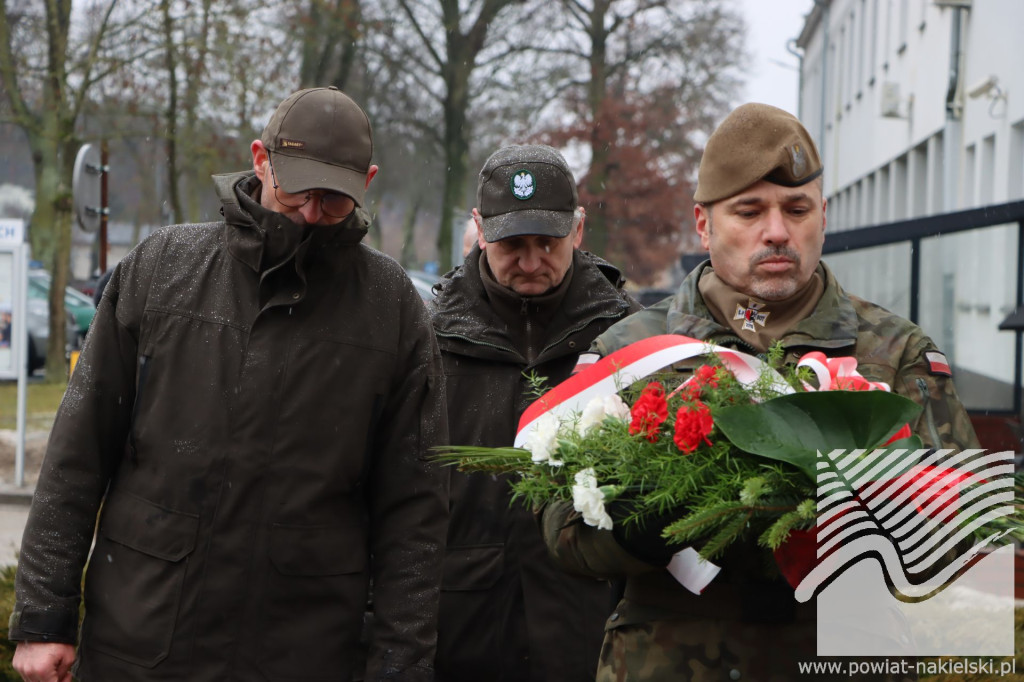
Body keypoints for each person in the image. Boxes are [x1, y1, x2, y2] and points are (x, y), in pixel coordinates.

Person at [10, 87, 449, 682]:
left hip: (303, 651)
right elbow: (78, 453)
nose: (314, 213)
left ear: (367, 181)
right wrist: (43, 619)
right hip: (142, 641)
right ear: (260, 159)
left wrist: (400, 665)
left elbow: (414, 509)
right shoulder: (161, 269)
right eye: (298, 190)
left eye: (335, 198)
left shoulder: (393, 308)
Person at [540, 103, 980, 681]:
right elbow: (559, 530)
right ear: (703, 224)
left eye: (797, 209)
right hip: (669, 663)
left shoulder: (896, 353)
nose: (777, 231)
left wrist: (890, 515)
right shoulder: (631, 351)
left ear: (822, 215)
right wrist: (634, 528)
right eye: (749, 211)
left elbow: (967, 535)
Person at [430, 144, 642, 681]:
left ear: (578, 227)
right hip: (461, 638)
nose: (529, 262)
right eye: (511, 245)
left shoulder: (629, 339)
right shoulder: (427, 338)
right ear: (479, 228)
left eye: (547, 243)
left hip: (591, 638)